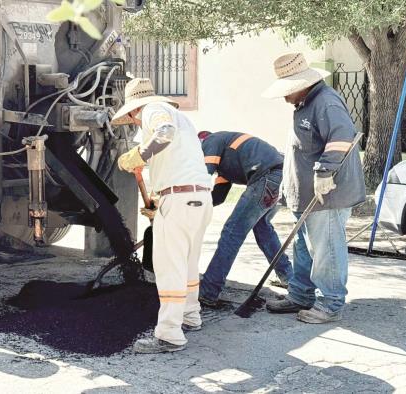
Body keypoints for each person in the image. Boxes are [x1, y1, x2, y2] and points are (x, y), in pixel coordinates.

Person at [261, 53, 366, 323]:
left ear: (301, 85)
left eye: (287, 91)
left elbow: (342, 137)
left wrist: (324, 171)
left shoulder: (326, 103)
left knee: (326, 249)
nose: (284, 97)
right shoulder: (305, 104)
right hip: (307, 195)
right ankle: (301, 294)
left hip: (326, 195)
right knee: (304, 248)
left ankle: (331, 304)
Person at [113, 78, 213, 353]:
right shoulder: (182, 118)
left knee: (170, 266)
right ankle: (191, 316)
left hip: (180, 199)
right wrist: (158, 201)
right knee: (189, 263)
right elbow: (177, 162)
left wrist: (141, 156)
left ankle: (169, 334)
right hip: (198, 197)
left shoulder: (152, 110)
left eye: (132, 118)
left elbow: (163, 133)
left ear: (134, 109)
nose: (135, 123)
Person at [197, 131, 293, 308]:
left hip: (268, 176)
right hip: (282, 176)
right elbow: (217, 196)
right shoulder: (226, 159)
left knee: (232, 232)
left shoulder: (209, 141)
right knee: (262, 227)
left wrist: (182, 203)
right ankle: (288, 276)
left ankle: (208, 291)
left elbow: (201, 180)